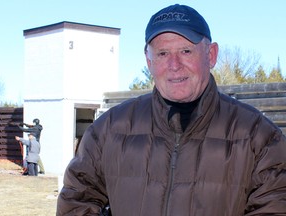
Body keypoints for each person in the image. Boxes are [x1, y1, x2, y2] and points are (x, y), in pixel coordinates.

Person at [57, 4, 286, 215]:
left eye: (186, 51)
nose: (174, 65)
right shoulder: (108, 131)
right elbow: (76, 202)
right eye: (163, 54)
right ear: (149, 62)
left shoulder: (259, 137)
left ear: (211, 55)